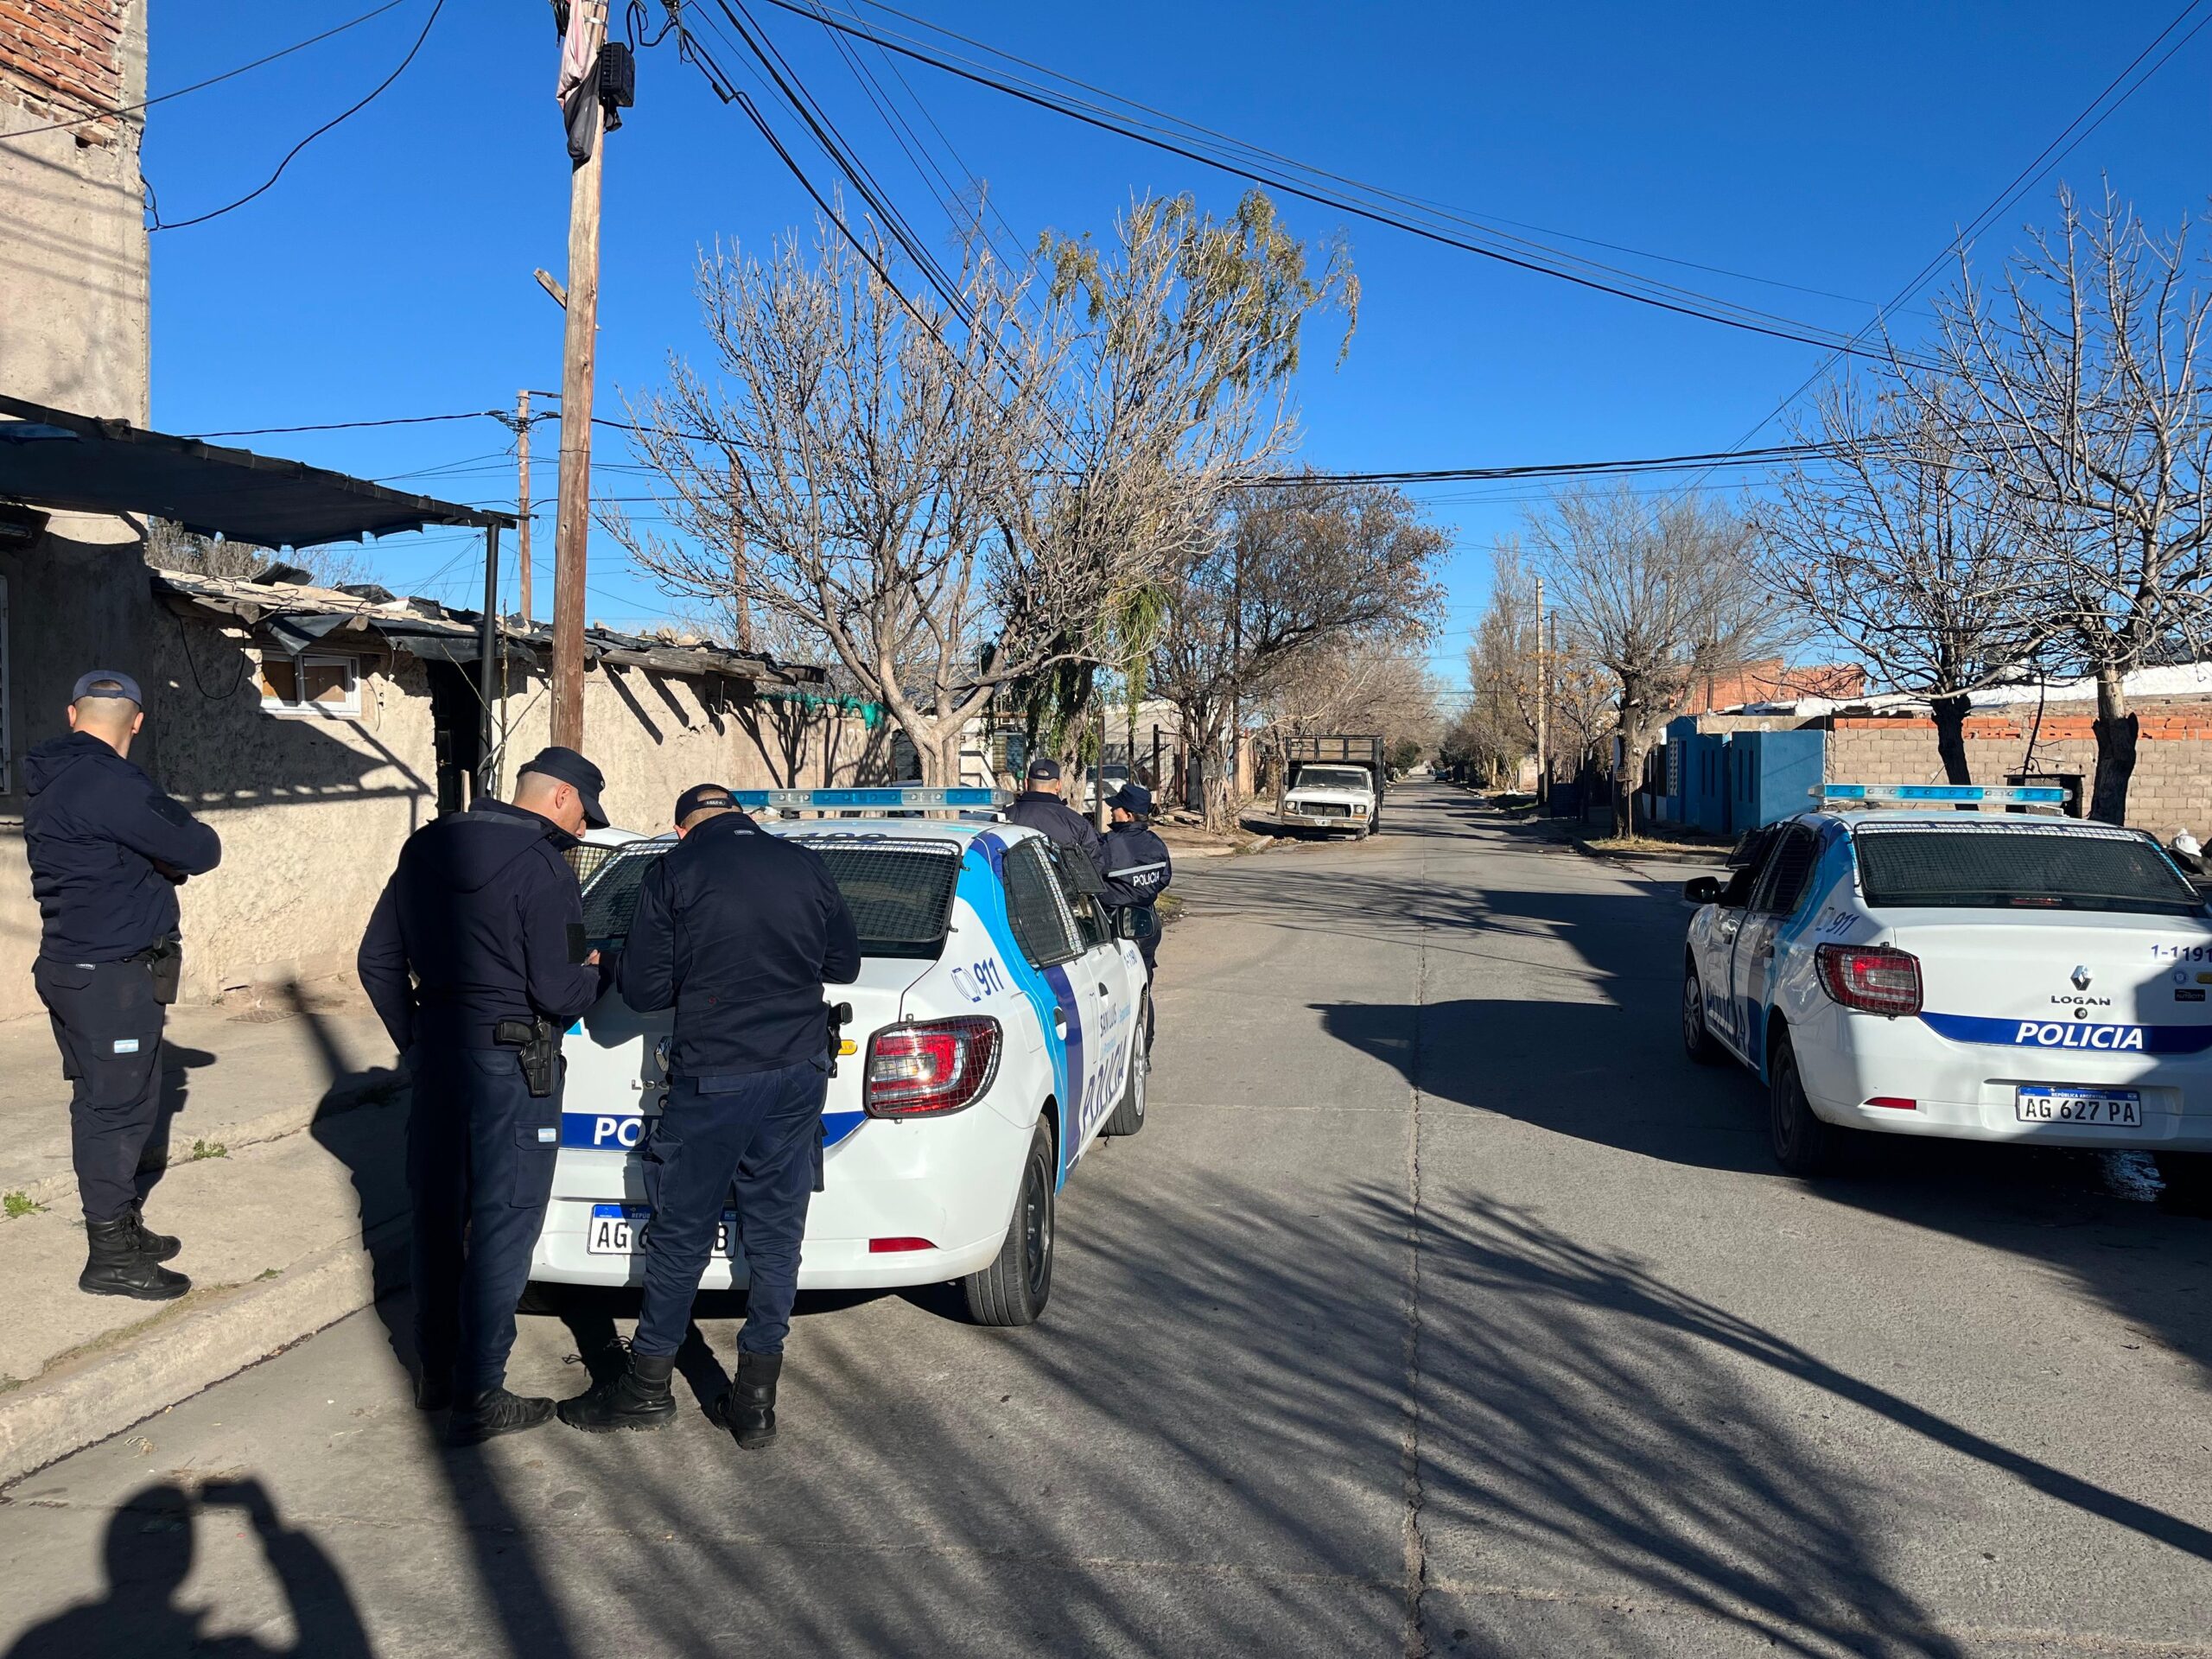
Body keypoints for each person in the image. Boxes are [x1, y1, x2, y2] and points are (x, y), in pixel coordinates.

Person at [558, 781, 859, 1447]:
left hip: (717, 1073)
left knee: (682, 1231)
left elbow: (641, 989)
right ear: (739, 817)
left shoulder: (675, 869)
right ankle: (754, 1406)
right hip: (799, 1071)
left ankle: (646, 1389)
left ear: (682, 830)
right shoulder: (805, 863)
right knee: (777, 1235)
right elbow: (844, 961)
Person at [357, 746, 610, 1445]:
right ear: (559, 798)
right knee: (503, 1223)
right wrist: (599, 970)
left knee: (437, 1218)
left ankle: (436, 1372)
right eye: (583, 815)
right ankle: (479, 1391)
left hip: (440, 1055)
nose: (582, 831)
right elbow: (559, 991)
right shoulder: (545, 869)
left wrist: (416, 1037)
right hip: (513, 1067)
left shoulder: (424, 847)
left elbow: (375, 959)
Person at [23, 671, 221, 1301]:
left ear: (71, 714)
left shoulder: (53, 779)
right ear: (137, 721)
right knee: (115, 1113)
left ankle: (122, 1226)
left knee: (108, 1102)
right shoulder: (113, 782)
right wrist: (162, 859)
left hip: (74, 968)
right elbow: (201, 847)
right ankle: (109, 1256)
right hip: (110, 977)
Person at [1099, 781, 1173, 978]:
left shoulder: (1109, 845)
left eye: (1116, 807)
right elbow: (1164, 878)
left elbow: (1091, 880)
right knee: (1144, 986)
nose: (1112, 810)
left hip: (1115, 927)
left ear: (1129, 815)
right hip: (1148, 925)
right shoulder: (1156, 843)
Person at [1002, 756, 1103, 875]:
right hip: (1065, 892)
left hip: (1008, 892)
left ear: (1026, 783)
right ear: (1058, 786)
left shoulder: (1002, 817)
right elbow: (1094, 867)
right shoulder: (1078, 823)